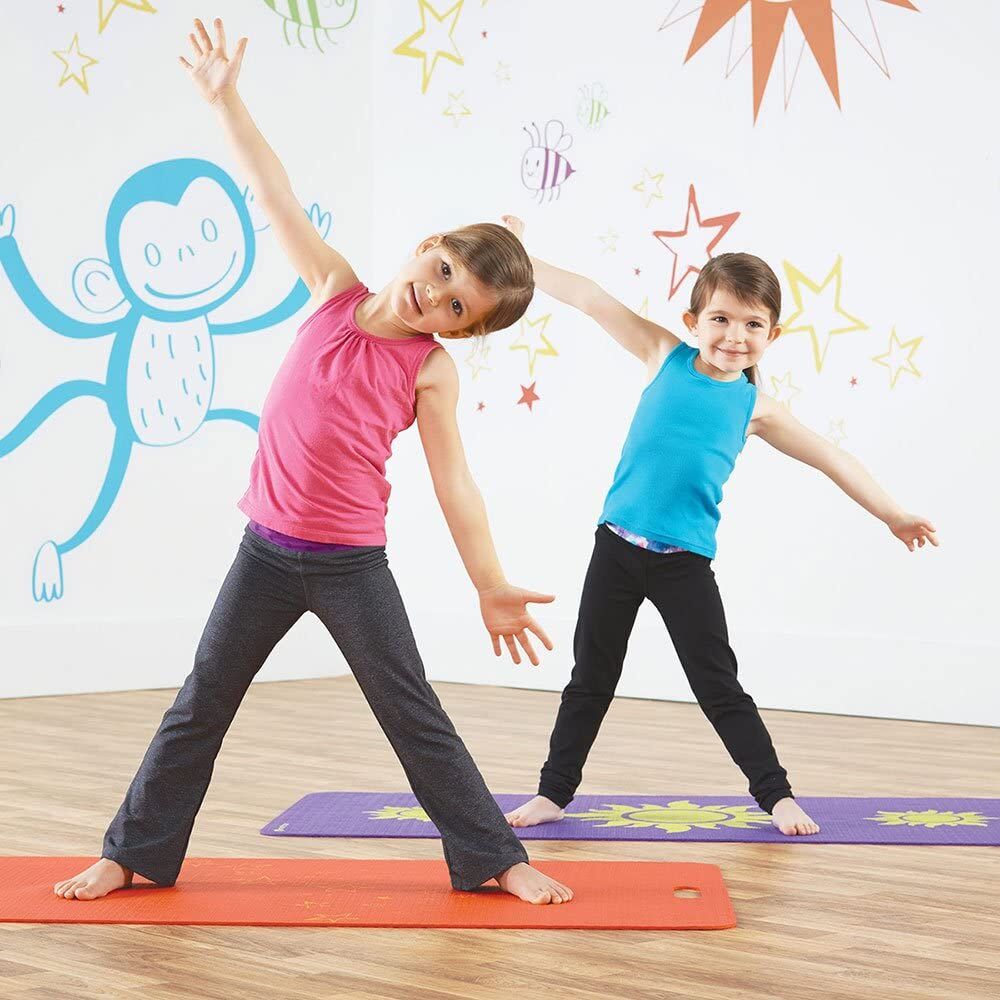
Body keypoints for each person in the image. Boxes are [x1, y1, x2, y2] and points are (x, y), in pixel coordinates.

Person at [52, 19, 573, 906]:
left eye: (458, 306)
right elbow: (273, 192)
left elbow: (455, 485)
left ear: (464, 332)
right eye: (443, 268)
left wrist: (489, 583)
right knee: (200, 702)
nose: (436, 295)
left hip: (349, 566)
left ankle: (494, 857)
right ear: (426, 243)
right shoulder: (335, 290)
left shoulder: (429, 371)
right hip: (263, 552)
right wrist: (225, 98)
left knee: (411, 712)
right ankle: (133, 851)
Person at [499, 214, 938, 837]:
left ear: (772, 334)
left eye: (753, 324)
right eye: (721, 319)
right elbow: (590, 297)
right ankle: (552, 793)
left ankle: (776, 795)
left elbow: (832, 457)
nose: (735, 336)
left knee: (718, 684)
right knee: (590, 678)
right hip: (615, 549)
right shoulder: (664, 356)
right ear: (693, 322)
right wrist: (522, 254)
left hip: (683, 564)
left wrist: (892, 513)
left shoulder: (756, 407)